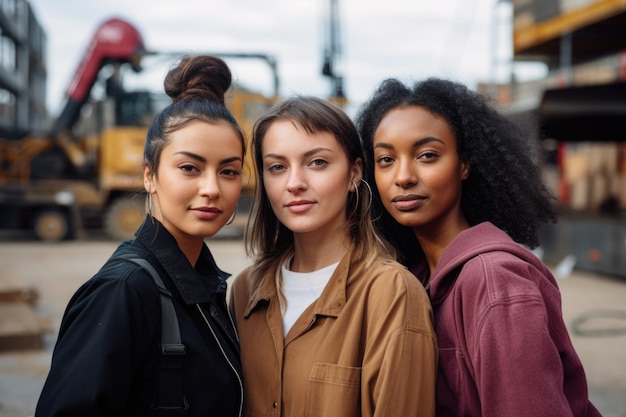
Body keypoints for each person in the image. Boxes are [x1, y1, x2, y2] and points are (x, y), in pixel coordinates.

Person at [356, 77, 602, 417]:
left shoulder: (495, 282)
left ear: (464, 164)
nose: (403, 176)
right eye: (386, 160)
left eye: (427, 155)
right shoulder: (415, 277)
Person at [35, 55, 245, 416]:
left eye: (229, 171)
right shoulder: (123, 292)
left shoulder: (204, 284)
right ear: (150, 175)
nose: (212, 188)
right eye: (189, 168)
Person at [229, 96, 438, 417]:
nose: (295, 183)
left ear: (354, 173)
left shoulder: (392, 293)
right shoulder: (245, 291)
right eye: (277, 167)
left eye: (317, 162)